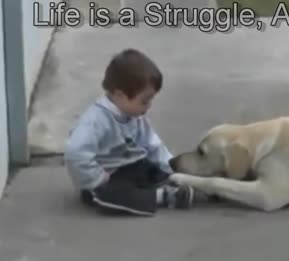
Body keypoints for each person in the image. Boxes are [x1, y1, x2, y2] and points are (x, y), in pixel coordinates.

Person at [64, 48, 194, 216]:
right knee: (113, 195)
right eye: (145, 101)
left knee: (152, 169)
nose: (148, 106)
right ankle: (161, 197)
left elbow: (152, 144)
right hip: (108, 177)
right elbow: (75, 153)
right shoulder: (95, 121)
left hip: (132, 166)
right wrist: (96, 178)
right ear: (120, 96)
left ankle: (178, 184)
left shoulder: (134, 115)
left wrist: (170, 167)